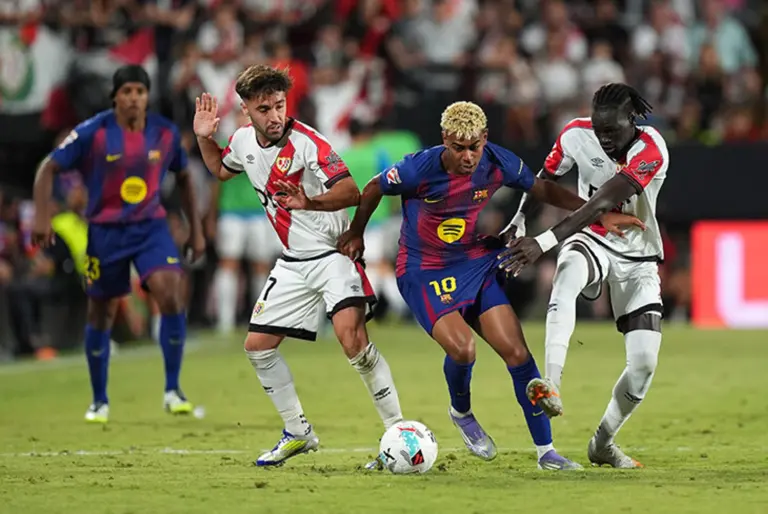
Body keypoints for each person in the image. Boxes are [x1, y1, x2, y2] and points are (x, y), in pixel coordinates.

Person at [338, 101, 641, 470]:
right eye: (458, 148)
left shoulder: (498, 161)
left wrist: (597, 213)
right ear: (444, 139)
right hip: (423, 271)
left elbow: (542, 189)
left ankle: (547, 453)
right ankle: (461, 412)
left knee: (518, 353)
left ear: (485, 138)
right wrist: (357, 232)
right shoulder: (418, 167)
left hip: (473, 262)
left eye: (474, 147)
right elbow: (373, 187)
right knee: (464, 349)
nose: (468, 157)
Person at [193, 64, 404, 467]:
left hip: (332, 255)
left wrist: (309, 202)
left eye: (279, 105)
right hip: (293, 262)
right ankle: (298, 432)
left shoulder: (308, 143)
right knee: (257, 349)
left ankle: (397, 432)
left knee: (352, 342)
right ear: (245, 110)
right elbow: (221, 170)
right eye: (264, 109)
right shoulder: (242, 140)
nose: (274, 116)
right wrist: (204, 138)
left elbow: (351, 191)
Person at [500, 83, 668, 468]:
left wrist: (542, 242)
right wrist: (520, 218)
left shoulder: (651, 149)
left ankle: (603, 443)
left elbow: (602, 201)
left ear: (632, 120)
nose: (603, 138)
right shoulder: (575, 134)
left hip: (638, 256)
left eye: (612, 130)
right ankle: (551, 384)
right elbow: (543, 179)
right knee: (567, 275)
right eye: (598, 129)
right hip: (591, 238)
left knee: (643, 364)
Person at [32, 65, 206, 423]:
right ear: (115, 97)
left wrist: (197, 230)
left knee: (170, 291)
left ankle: (173, 389)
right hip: (105, 232)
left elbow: (185, 178)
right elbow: (48, 168)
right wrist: (41, 217)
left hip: (150, 228)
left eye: (140, 91)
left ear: (147, 96)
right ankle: (99, 400)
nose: (133, 98)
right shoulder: (92, 132)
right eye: (126, 91)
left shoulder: (164, 132)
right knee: (102, 312)